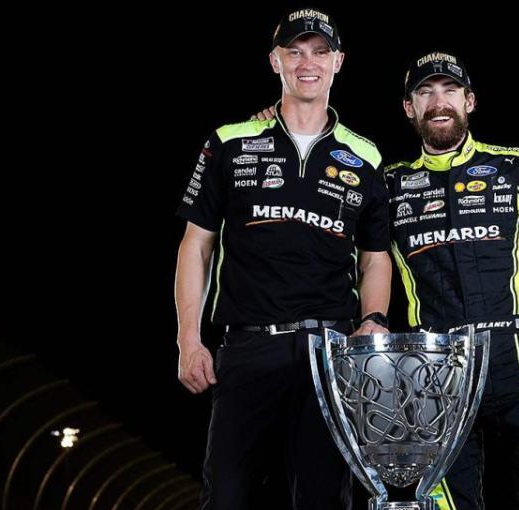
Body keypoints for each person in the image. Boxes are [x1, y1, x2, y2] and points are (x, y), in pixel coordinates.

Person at [173, 8, 392, 509]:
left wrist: (373, 319)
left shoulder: (366, 156)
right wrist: (189, 339)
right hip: (247, 348)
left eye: (319, 52)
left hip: (329, 353)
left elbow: (376, 256)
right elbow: (196, 244)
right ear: (275, 61)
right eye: (294, 51)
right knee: (228, 496)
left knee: (322, 498)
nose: (306, 63)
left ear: (338, 61)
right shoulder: (230, 141)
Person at [383, 51, 519, 509]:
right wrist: (276, 120)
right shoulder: (389, 183)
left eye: (450, 90)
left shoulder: (517, 166)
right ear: (409, 108)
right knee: (443, 502)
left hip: (516, 359)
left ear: (469, 101)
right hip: (434, 365)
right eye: (425, 92)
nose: (439, 102)